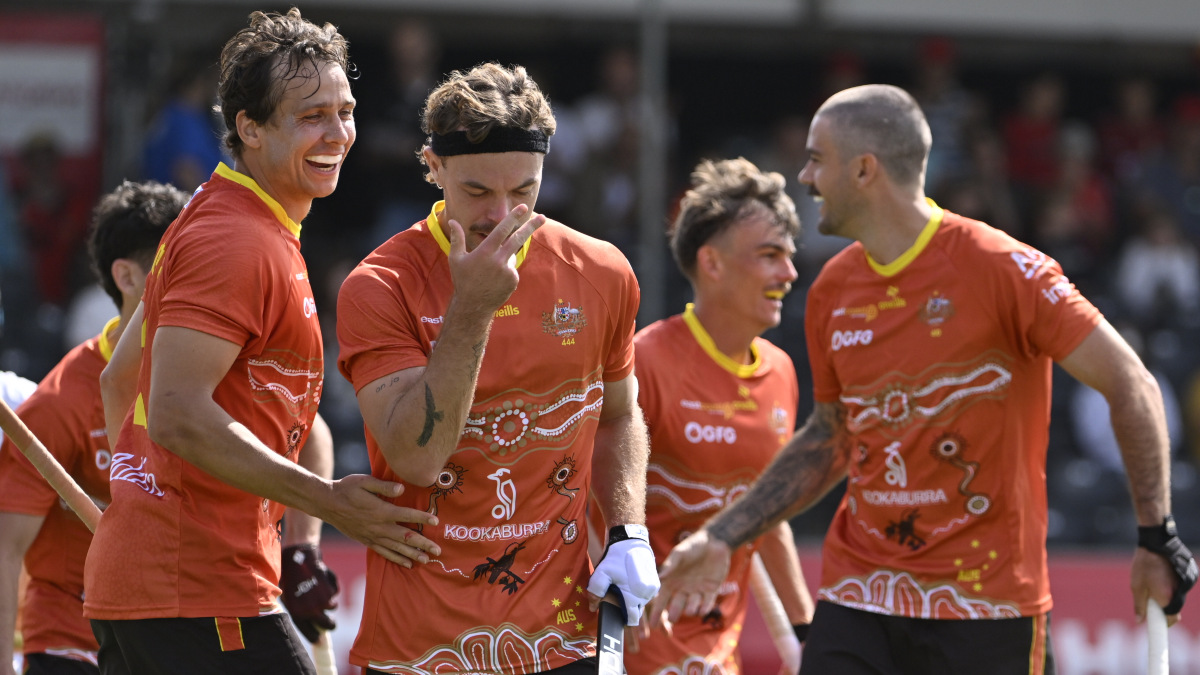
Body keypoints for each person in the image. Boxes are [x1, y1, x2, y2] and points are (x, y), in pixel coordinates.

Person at [653, 84, 1197, 675]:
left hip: (987, 607)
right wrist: (723, 537)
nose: (804, 177)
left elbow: (1132, 385)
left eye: (817, 159)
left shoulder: (1003, 268)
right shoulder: (831, 290)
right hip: (860, 594)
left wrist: (1155, 537)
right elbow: (833, 436)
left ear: (864, 170)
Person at [82, 10, 439, 675]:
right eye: (311, 117)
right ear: (249, 127)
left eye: (345, 111)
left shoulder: (234, 218)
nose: (337, 134)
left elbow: (116, 382)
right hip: (198, 594)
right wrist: (326, 502)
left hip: (162, 585)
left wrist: (140, 501)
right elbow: (176, 411)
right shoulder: (234, 239)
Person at [336, 62, 660, 675]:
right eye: (478, 193)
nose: (503, 216)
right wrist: (474, 307)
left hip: (561, 638)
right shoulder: (379, 286)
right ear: (432, 167)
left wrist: (627, 531)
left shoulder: (603, 272)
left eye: (525, 192)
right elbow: (416, 457)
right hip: (420, 648)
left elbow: (619, 415)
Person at [599, 157, 814, 675]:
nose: (789, 273)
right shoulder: (645, 360)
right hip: (630, 640)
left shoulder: (781, 372)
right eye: (769, 255)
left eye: (789, 255)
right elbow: (587, 491)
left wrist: (808, 630)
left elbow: (770, 515)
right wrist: (605, 631)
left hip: (716, 651)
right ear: (712, 264)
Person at [0, 180, 187, 675]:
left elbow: (310, 428)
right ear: (126, 277)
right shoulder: (59, 402)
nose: (199, 279)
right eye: (178, 266)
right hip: (72, 644)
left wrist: (303, 548)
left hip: (177, 630)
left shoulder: (213, 371)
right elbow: (5, 547)